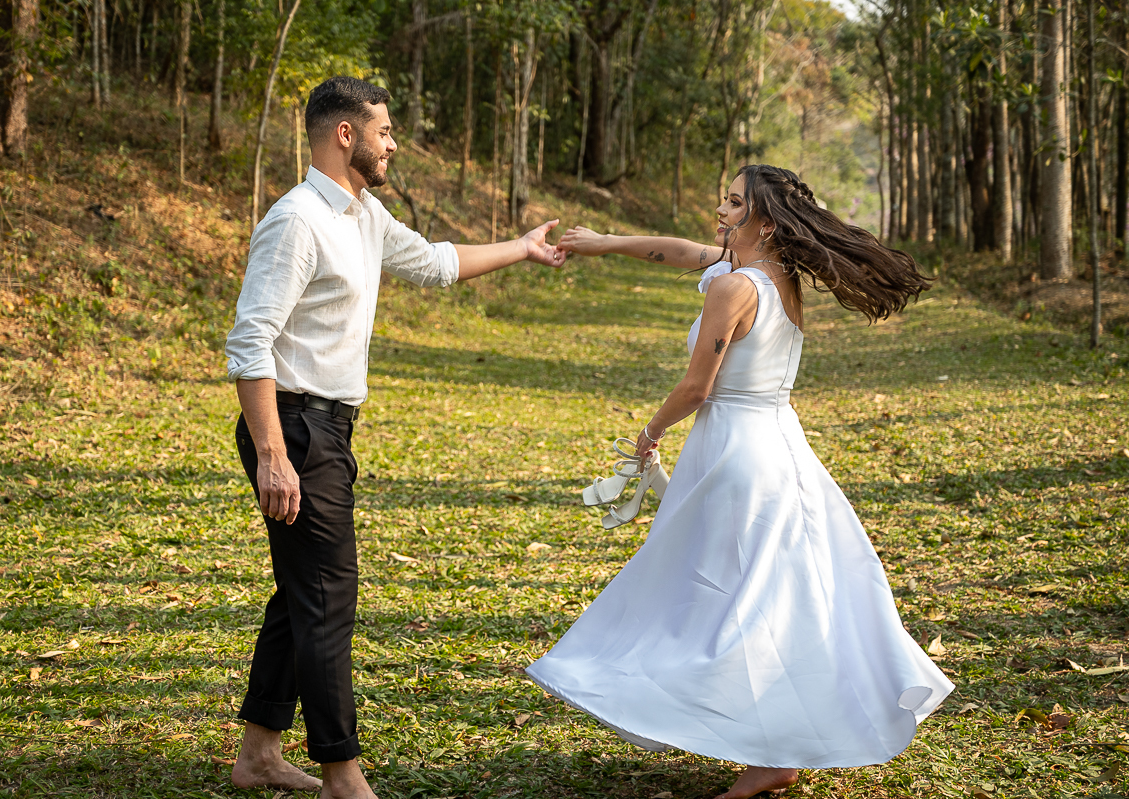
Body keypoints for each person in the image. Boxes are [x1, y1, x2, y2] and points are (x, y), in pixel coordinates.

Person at [530, 165, 952, 799]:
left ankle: (757, 744)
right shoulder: (776, 277)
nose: (720, 210)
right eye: (723, 198)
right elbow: (679, 252)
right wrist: (605, 243)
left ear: (766, 221)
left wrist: (648, 434)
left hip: (739, 456)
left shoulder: (733, 288)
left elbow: (698, 386)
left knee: (731, 598)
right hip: (777, 445)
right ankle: (770, 752)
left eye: (733, 203)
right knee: (760, 595)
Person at [224, 75, 566, 799]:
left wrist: (523, 248)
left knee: (301, 593)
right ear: (344, 134)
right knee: (326, 597)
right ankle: (344, 774)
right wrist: (273, 455)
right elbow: (250, 343)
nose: (393, 143)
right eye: (384, 130)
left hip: (329, 427)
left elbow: (439, 263)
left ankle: (257, 755)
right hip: (292, 426)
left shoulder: (363, 214)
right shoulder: (297, 221)